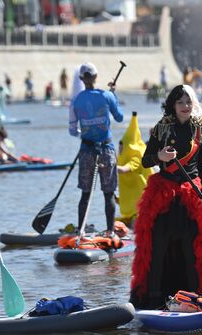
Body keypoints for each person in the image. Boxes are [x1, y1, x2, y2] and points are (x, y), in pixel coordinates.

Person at [129, 84, 202, 310]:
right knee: (158, 249)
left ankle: (195, 300)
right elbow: (145, 161)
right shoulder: (162, 128)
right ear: (172, 105)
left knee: (193, 252)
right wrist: (160, 156)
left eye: (189, 102)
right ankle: (152, 300)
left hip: (191, 198)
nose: (185, 106)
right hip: (163, 197)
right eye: (180, 102)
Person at [69, 62, 124, 237]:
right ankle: (110, 231)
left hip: (86, 150)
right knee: (108, 193)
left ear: (81, 79)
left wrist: (85, 133)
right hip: (106, 150)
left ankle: (81, 231)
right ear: (95, 77)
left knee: (85, 194)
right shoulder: (107, 95)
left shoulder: (76, 100)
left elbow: (72, 130)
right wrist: (113, 96)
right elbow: (120, 117)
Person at [116, 111, 154, 228]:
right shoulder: (123, 158)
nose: (120, 148)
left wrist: (108, 166)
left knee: (134, 227)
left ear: (129, 146)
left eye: (122, 145)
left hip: (141, 211)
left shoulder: (137, 158)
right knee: (116, 225)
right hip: (130, 212)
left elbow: (123, 170)